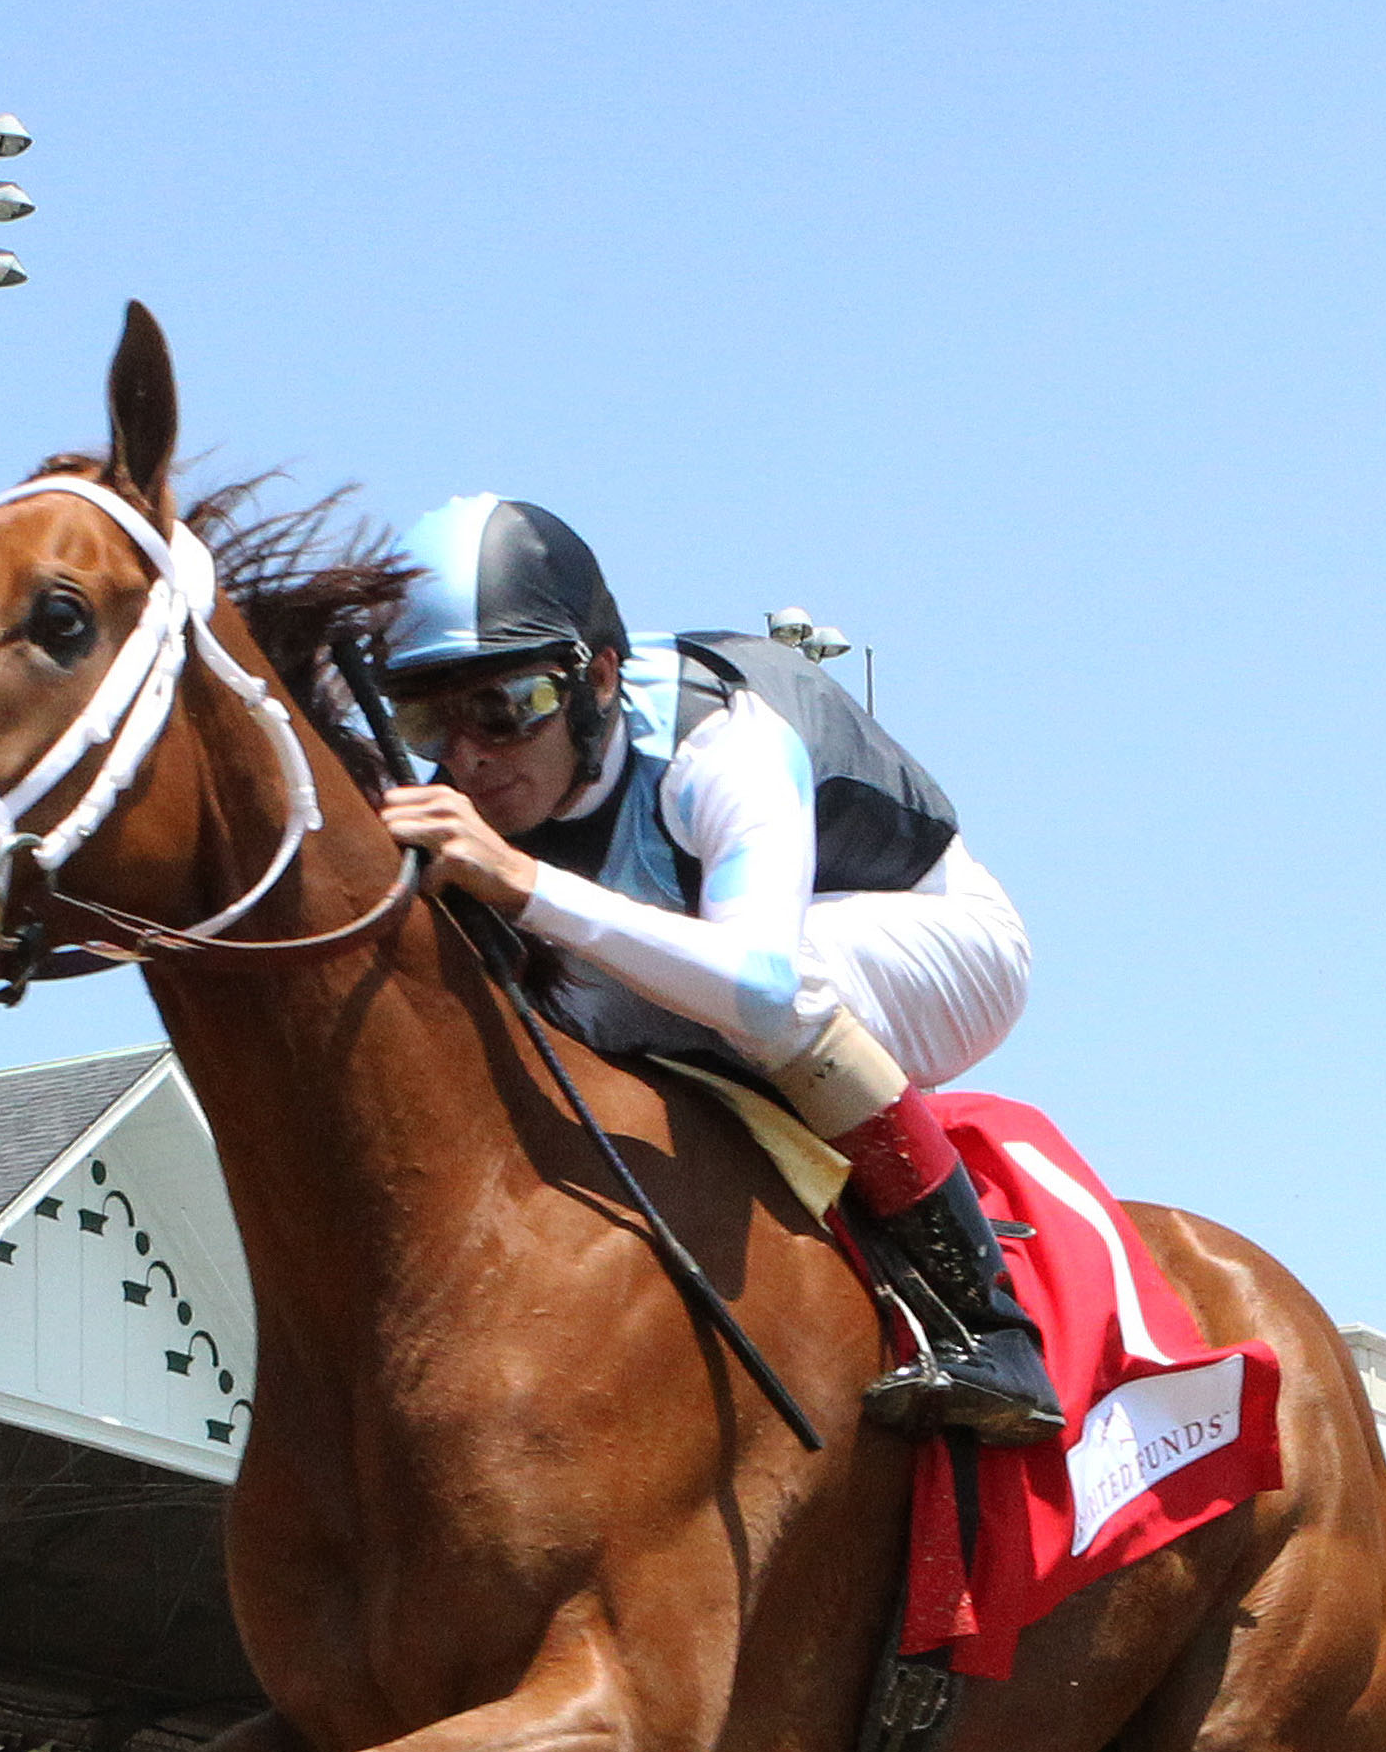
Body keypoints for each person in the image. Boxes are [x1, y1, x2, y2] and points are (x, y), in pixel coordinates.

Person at [376, 495, 1059, 1444]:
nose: (469, 758)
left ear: (598, 678)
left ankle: (992, 1325)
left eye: (507, 707)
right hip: (727, 953)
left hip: (942, 945)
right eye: (426, 719)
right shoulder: (472, 774)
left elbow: (763, 985)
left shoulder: (723, 746)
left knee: (733, 992)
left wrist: (523, 883)